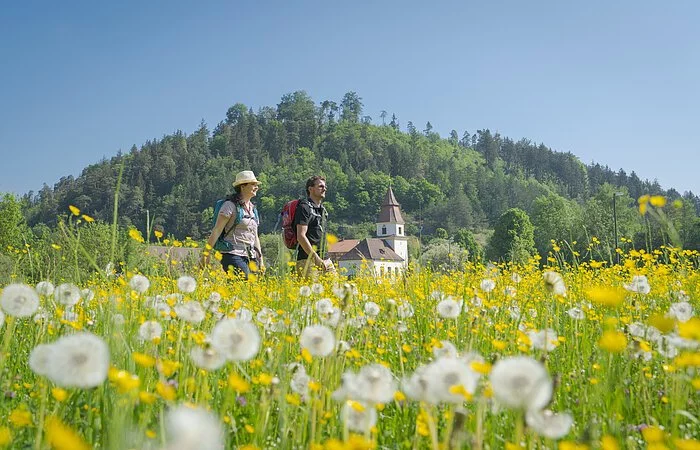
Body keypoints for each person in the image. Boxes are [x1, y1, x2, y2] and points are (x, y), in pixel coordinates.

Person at [203, 170, 264, 278]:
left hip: (250, 255)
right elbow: (217, 230)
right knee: (243, 280)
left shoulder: (253, 209)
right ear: (242, 186)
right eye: (253, 184)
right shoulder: (229, 206)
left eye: (256, 185)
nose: (256, 187)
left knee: (251, 288)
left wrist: (260, 259)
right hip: (232, 253)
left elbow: (255, 237)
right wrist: (206, 254)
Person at [295, 175, 334, 278]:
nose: (324, 189)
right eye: (320, 186)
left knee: (337, 291)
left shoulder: (322, 210)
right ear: (310, 189)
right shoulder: (304, 207)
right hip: (307, 260)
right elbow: (301, 236)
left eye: (325, 187)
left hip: (325, 259)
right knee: (311, 293)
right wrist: (315, 258)